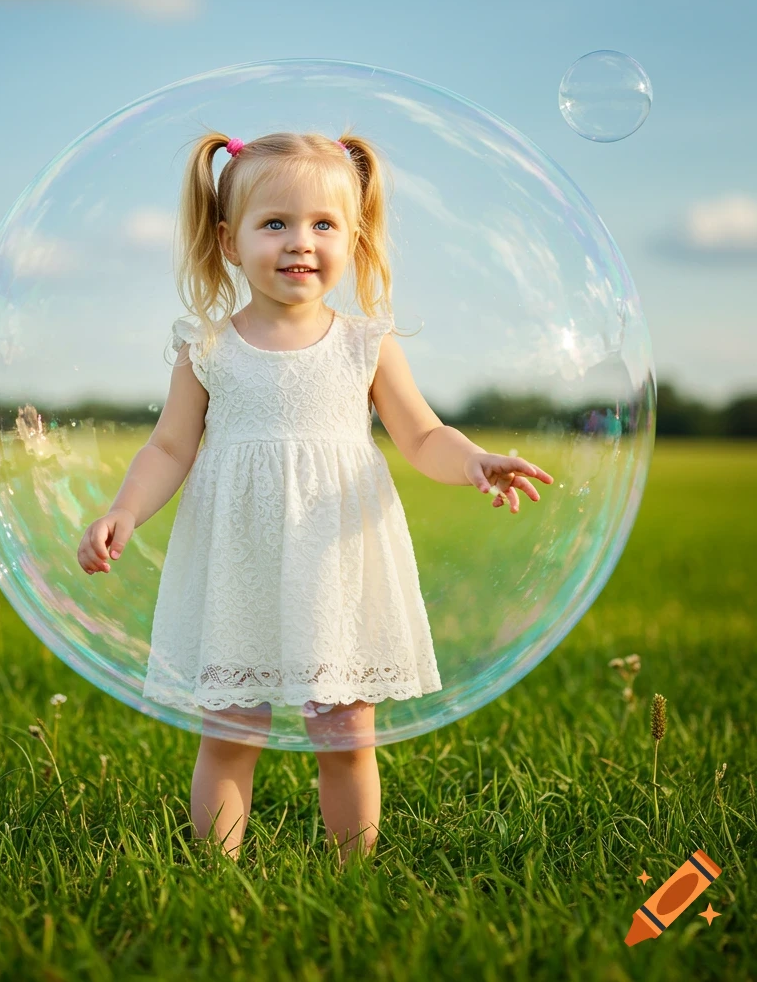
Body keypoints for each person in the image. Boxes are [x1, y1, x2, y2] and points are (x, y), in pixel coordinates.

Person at [76, 130, 553, 866]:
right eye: (276, 224)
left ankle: (352, 875)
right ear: (230, 242)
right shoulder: (205, 347)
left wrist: (476, 462)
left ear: (354, 238)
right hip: (243, 560)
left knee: (347, 735)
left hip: (335, 564)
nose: (301, 243)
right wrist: (124, 509)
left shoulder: (366, 342)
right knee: (231, 731)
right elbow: (169, 447)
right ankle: (215, 874)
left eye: (323, 224)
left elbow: (423, 435)